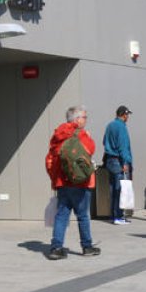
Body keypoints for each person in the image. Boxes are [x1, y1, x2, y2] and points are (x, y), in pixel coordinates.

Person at [45, 106, 100, 260]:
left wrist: (55, 179)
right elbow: (91, 149)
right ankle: (87, 246)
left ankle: (56, 247)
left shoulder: (57, 135)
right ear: (76, 119)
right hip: (80, 183)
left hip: (62, 182)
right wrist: (88, 137)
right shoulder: (80, 134)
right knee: (82, 215)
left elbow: (50, 159)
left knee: (62, 215)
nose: (86, 120)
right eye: (84, 117)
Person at [102, 105, 134, 225]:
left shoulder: (110, 125)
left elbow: (104, 141)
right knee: (119, 189)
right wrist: (125, 162)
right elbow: (123, 147)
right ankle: (118, 216)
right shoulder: (121, 127)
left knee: (112, 189)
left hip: (110, 160)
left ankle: (113, 215)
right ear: (124, 115)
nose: (128, 117)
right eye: (128, 115)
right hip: (118, 161)